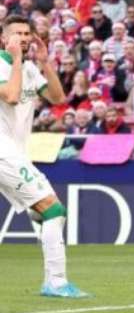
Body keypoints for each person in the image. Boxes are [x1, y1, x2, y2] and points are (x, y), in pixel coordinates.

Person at [0, 16, 89, 298]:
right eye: (17, 34)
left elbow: (58, 98)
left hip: (15, 152)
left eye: (27, 33)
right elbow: (11, 96)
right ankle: (56, 281)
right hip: (3, 151)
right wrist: (15, 60)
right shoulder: (8, 65)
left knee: (43, 213)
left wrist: (45, 62)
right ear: (4, 39)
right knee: (53, 209)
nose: (24, 38)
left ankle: (54, 279)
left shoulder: (27, 67)